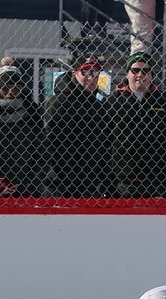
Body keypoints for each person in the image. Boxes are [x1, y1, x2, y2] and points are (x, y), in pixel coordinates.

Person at [105, 52, 166, 198]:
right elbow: (104, 142)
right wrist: (106, 182)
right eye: (135, 70)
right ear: (128, 74)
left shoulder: (165, 101)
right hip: (122, 181)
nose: (140, 75)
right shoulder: (113, 101)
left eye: (146, 71)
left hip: (157, 180)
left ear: (152, 75)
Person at [0, 62, 46, 199]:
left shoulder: (32, 118)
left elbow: (42, 155)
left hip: (28, 191)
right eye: (6, 89)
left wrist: (28, 184)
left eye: (16, 89)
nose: (11, 93)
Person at [45, 55, 114, 199]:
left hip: (91, 184)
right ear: (74, 73)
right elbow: (49, 142)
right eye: (86, 72)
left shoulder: (98, 106)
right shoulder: (60, 102)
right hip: (62, 184)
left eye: (95, 73)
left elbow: (104, 145)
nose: (91, 77)